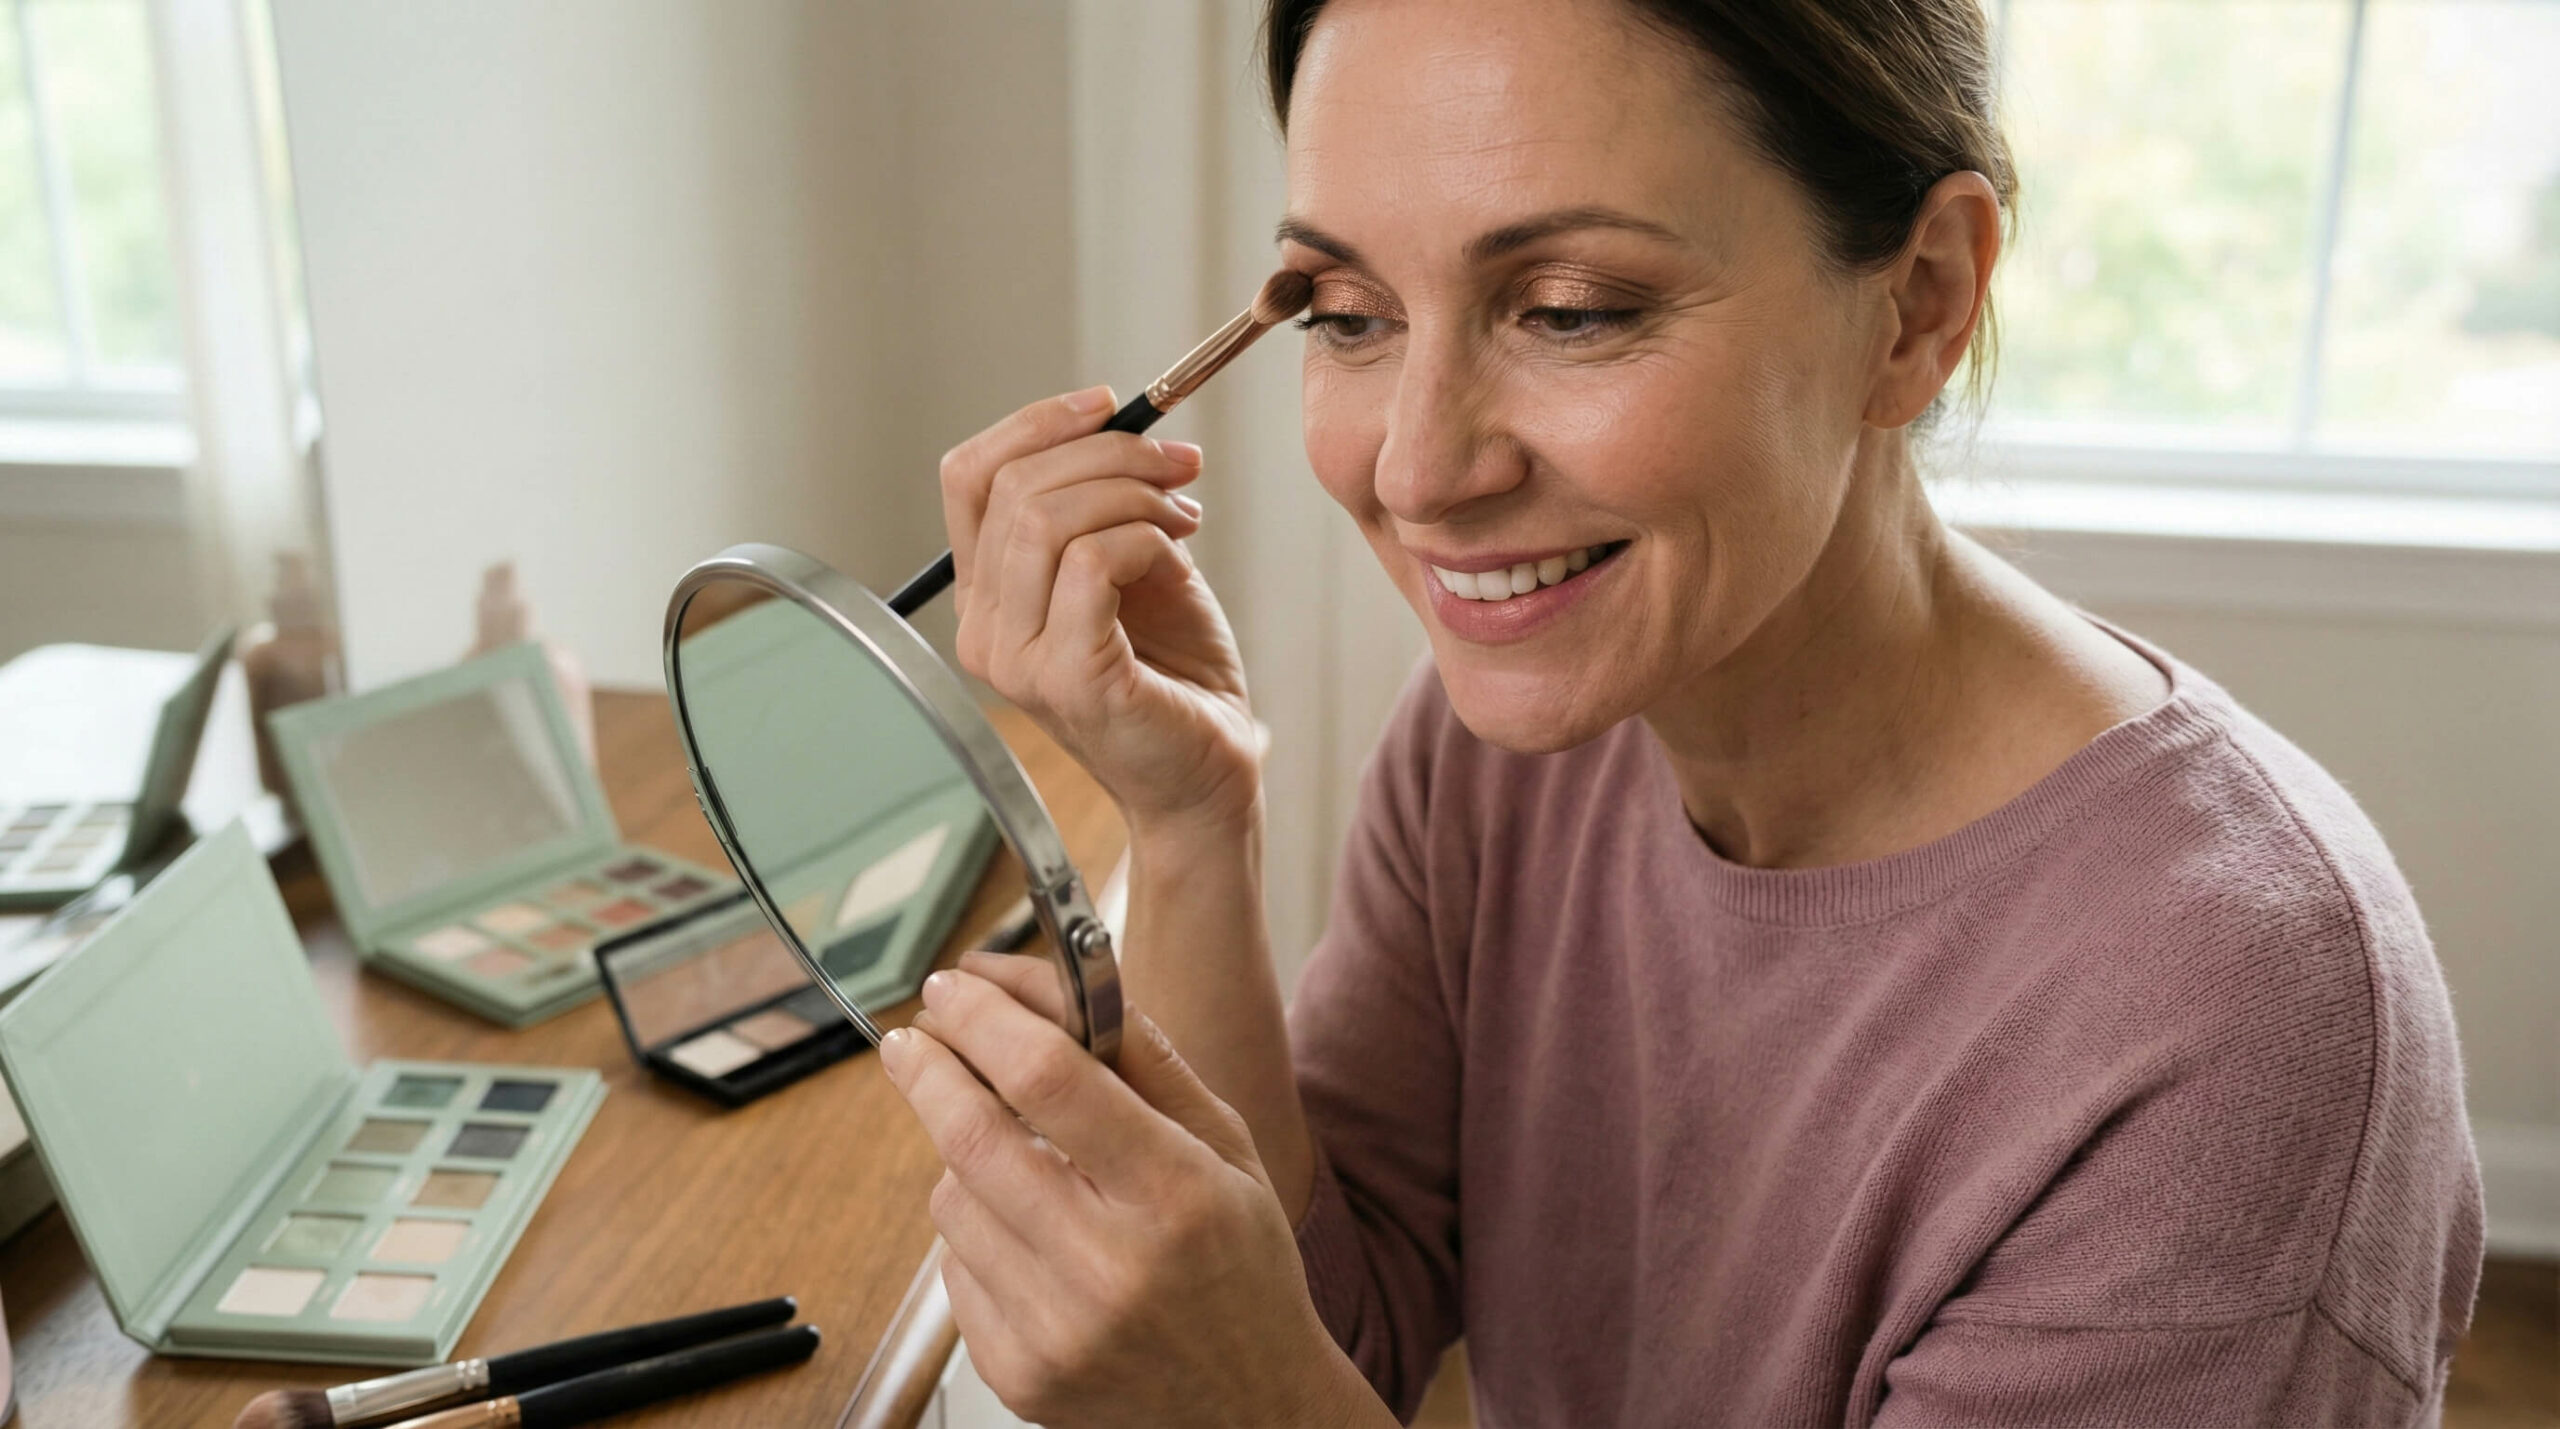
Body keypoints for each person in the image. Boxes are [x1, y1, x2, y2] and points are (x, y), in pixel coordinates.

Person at [878, 0, 2485, 1423]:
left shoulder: (2240, 1028)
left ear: (1920, 304)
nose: (1420, 470)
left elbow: (1270, 1383)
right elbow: (1324, 1330)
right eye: (1351, 314)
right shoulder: (1499, 750)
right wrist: (1189, 819)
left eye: (1571, 308)